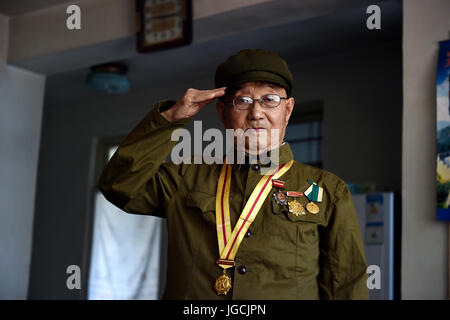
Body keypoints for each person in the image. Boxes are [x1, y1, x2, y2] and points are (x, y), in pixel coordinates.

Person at [98, 49, 369, 300]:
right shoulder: (185, 176)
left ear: (288, 109)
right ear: (222, 112)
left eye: (270, 99)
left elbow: (346, 285)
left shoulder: (328, 191)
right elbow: (118, 185)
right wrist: (170, 118)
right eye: (243, 101)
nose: (256, 113)